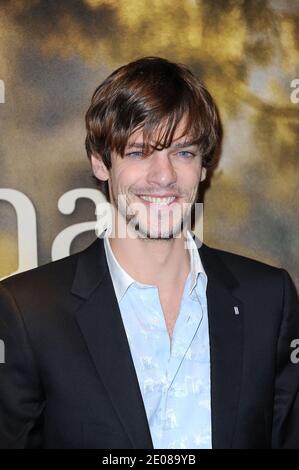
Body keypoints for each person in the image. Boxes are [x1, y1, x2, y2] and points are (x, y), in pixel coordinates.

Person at [0, 57, 298, 449]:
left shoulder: (268, 299)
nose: (164, 176)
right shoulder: (28, 312)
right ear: (100, 163)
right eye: (139, 152)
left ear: (204, 167)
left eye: (184, 153)